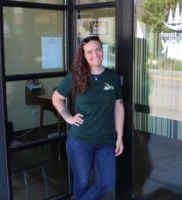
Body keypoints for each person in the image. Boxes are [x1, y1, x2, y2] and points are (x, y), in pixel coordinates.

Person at [52, 35, 124, 200]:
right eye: (89, 52)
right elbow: (56, 98)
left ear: (102, 50)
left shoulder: (112, 77)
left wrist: (119, 137)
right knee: (82, 181)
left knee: (106, 183)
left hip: (105, 141)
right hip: (80, 141)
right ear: (83, 55)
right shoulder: (76, 76)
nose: (95, 55)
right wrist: (68, 117)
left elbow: (118, 106)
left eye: (98, 50)